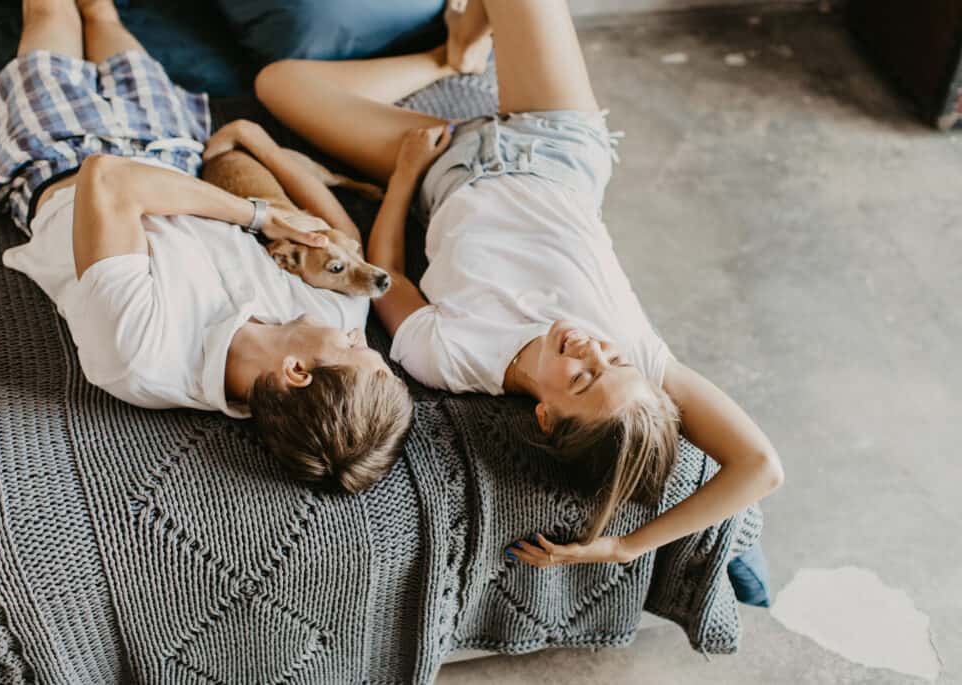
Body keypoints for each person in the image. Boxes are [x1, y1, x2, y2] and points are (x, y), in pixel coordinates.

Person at [254, 0, 783, 562]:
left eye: (581, 378)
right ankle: (466, 43)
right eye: (614, 361)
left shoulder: (454, 360)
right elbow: (759, 467)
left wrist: (407, 176)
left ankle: (450, 57)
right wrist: (626, 547)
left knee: (278, 84)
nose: (593, 350)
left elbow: (390, 277)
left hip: (446, 168)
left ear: (546, 415)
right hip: (555, 141)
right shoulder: (648, 359)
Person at [0, 0, 413, 493]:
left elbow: (110, 178)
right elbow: (346, 244)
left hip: (61, 157)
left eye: (356, 349)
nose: (360, 335)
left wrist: (259, 215)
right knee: (102, 16)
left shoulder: (141, 353)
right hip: (173, 150)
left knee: (51, 14)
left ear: (295, 371)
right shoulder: (326, 320)